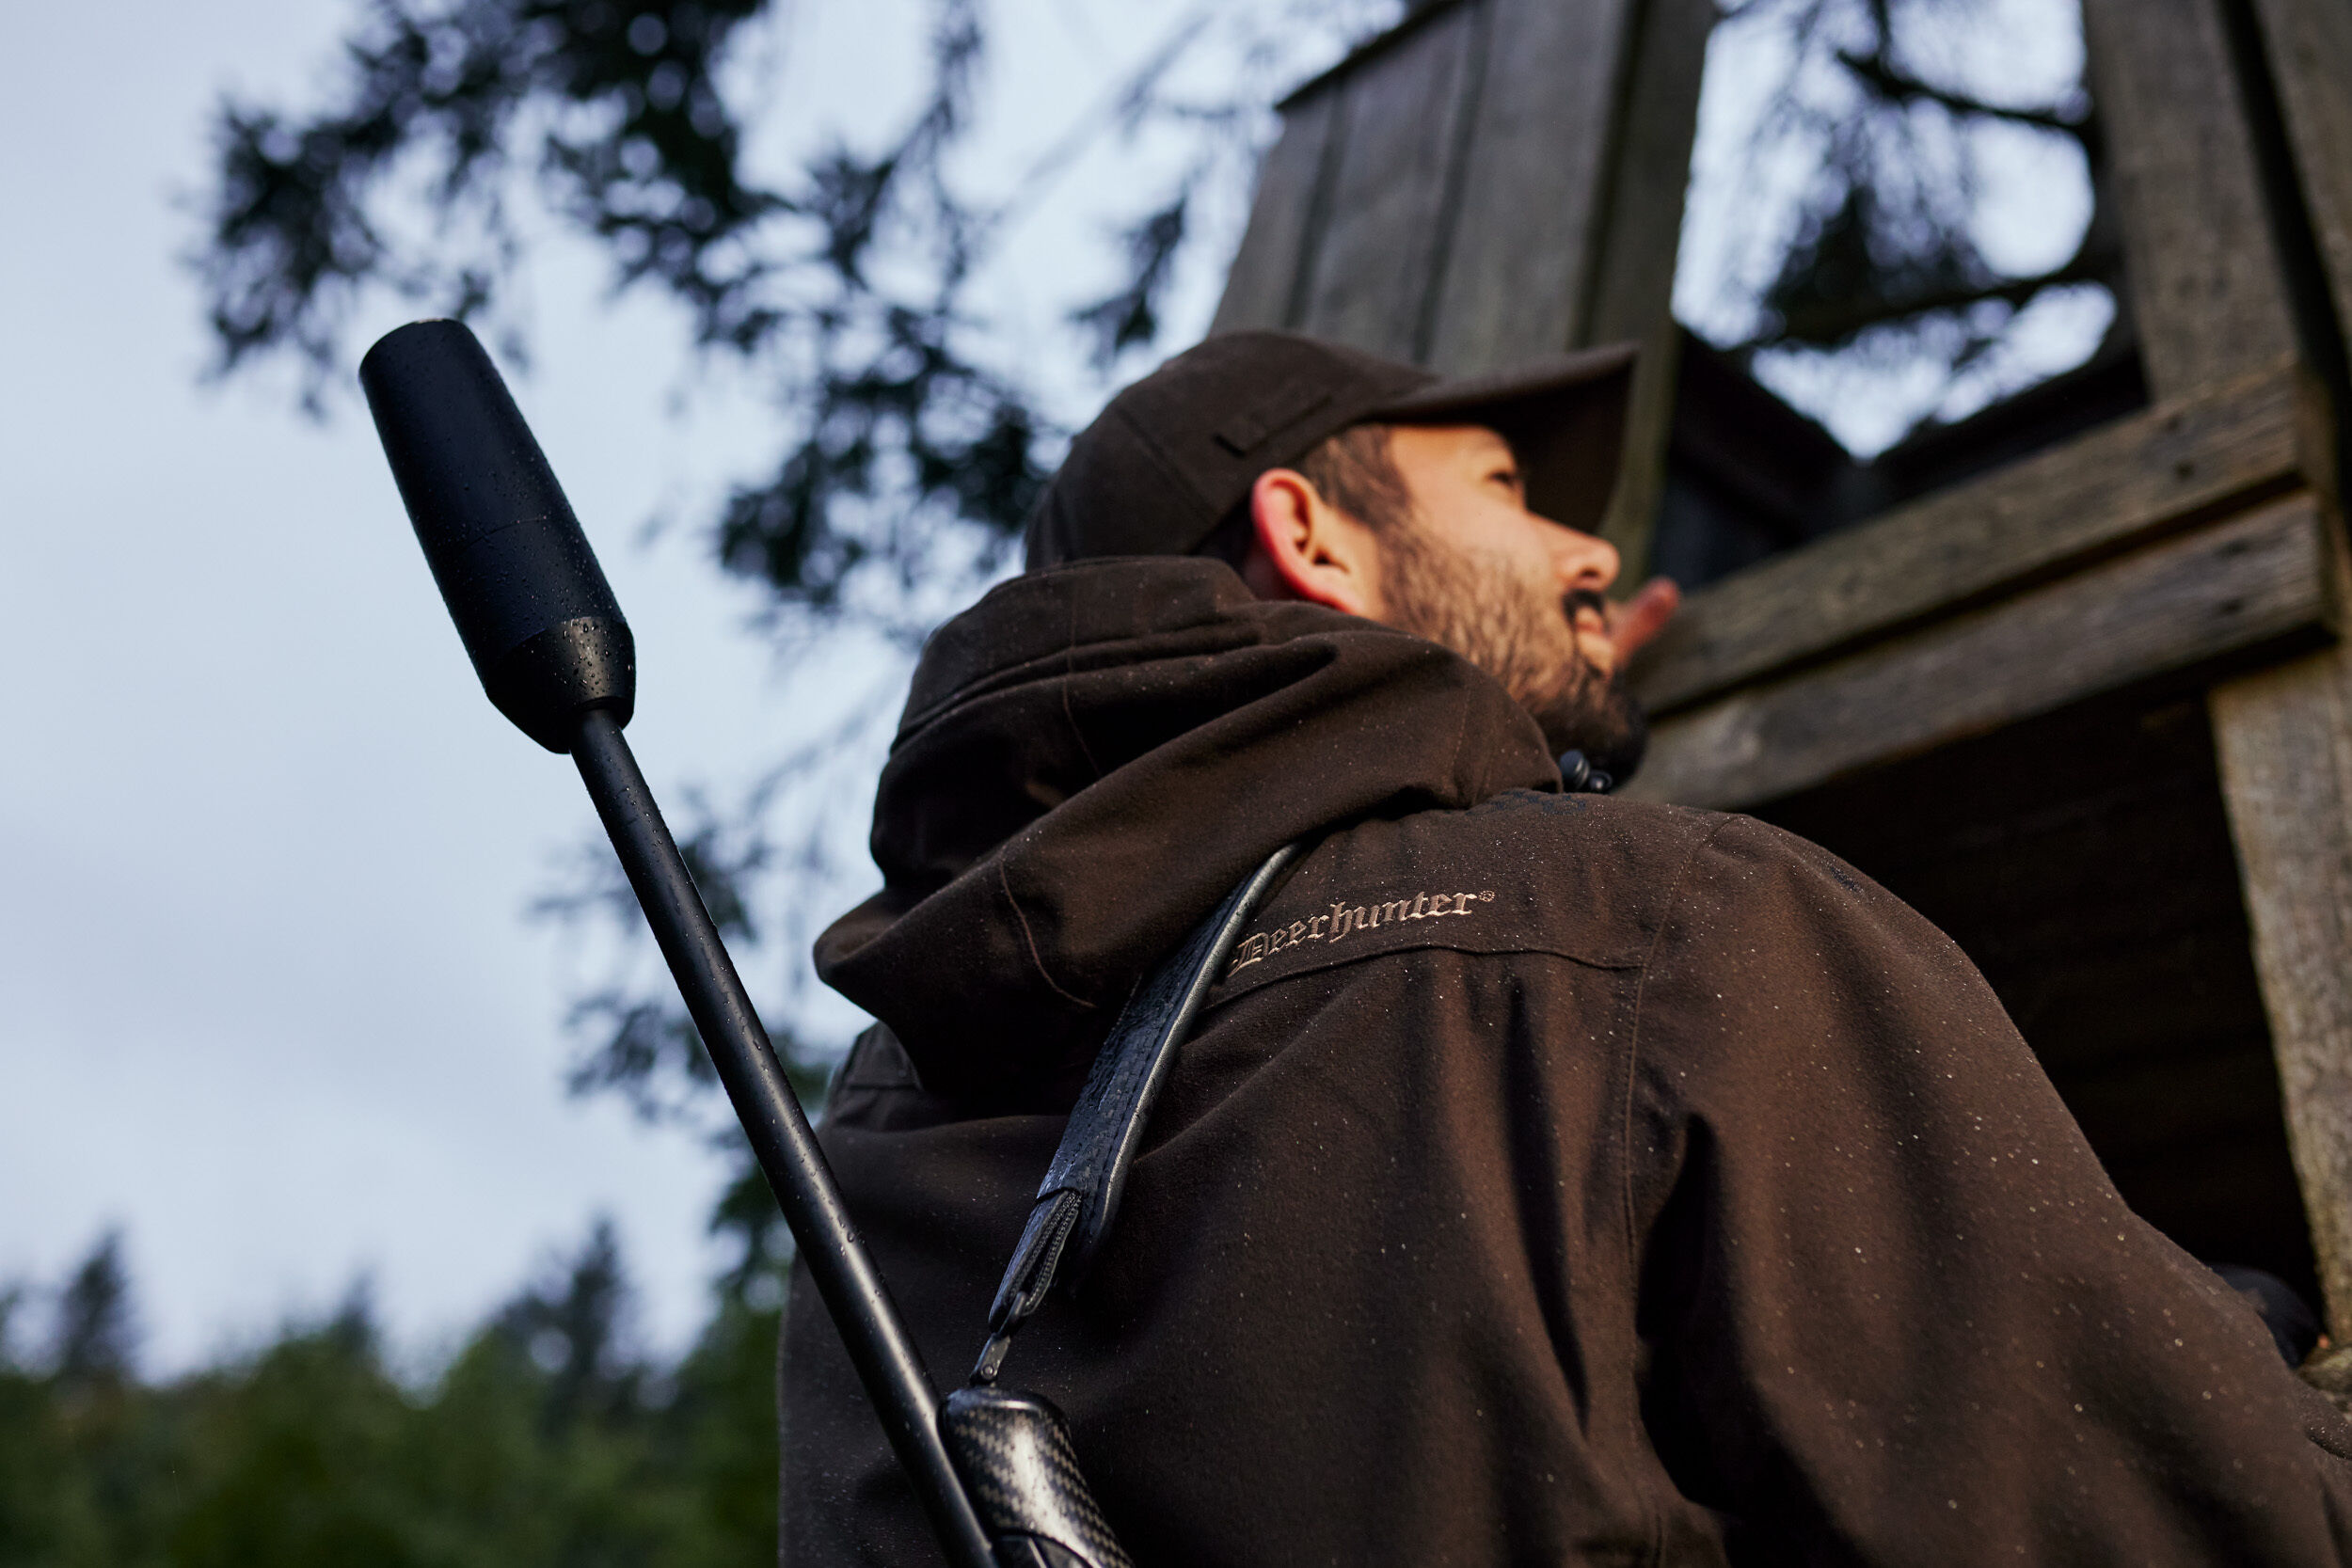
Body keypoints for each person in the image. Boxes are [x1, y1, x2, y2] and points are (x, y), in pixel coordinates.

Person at [778, 330, 2352, 1564]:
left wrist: (1502, 751)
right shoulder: (1666, 932)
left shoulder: (873, 1139)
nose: (1592, 553)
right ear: (1308, 534)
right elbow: (2189, 1517)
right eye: (1508, 493)